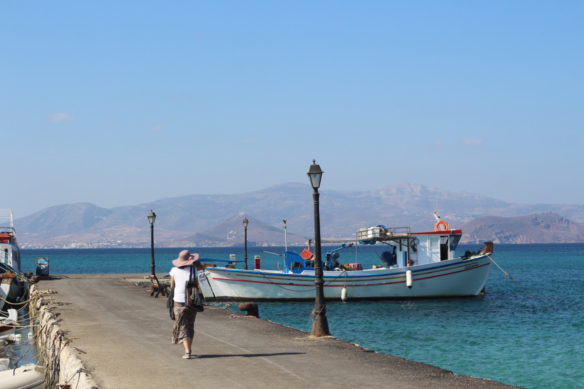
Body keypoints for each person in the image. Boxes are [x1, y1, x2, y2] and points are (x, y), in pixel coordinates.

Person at [169, 249, 204, 359]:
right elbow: (199, 283)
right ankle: (188, 347)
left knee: (182, 325)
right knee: (190, 325)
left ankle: (187, 351)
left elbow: (172, 285)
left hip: (179, 300)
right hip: (192, 301)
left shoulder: (174, 270)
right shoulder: (194, 270)